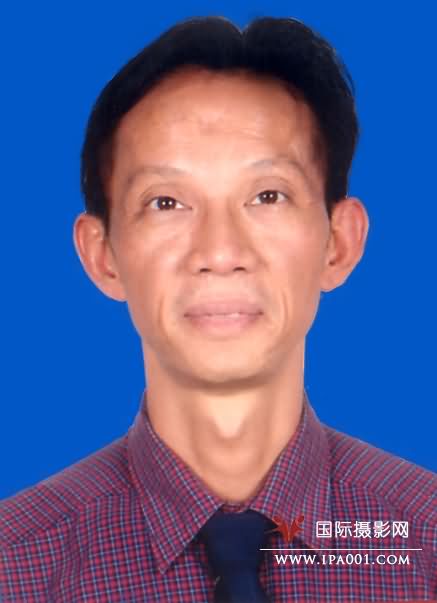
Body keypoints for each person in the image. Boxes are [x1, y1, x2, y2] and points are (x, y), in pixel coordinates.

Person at [1, 15, 436, 603]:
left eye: (268, 196)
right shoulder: (15, 567)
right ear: (103, 256)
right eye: (166, 202)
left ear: (339, 242)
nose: (221, 252)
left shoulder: (423, 540)